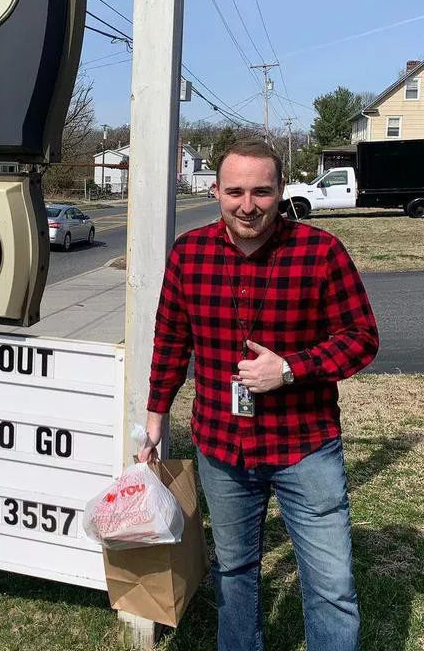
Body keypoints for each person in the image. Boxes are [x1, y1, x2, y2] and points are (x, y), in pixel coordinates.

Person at [138, 140, 379, 651]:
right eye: (235, 192)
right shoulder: (189, 253)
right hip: (221, 446)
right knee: (234, 571)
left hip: (305, 445)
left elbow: (361, 338)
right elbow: (171, 339)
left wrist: (290, 369)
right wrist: (157, 413)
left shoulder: (321, 252)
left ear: (281, 190)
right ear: (215, 191)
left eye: (261, 192)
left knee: (331, 585)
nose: (247, 205)